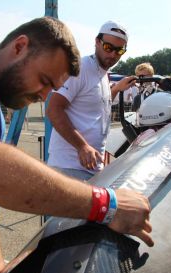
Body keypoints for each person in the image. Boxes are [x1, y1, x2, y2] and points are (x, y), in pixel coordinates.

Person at [0, 17, 153, 273]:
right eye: (44, 81)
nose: (44, 97)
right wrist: (106, 205)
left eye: (51, 88)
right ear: (20, 47)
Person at [47, 20, 136, 180]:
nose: (113, 54)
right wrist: (82, 147)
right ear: (97, 42)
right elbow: (54, 109)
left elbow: (98, 105)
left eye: (119, 50)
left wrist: (115, 89)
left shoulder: (102, 74)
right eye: (108, 47)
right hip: (68, 167)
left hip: (90, 168)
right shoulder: (80, 68)